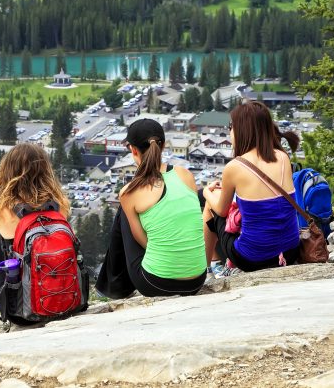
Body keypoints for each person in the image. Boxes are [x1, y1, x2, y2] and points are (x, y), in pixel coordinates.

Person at [0, 143, 71, 338]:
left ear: (7, 172)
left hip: (21, 312)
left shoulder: (1, 209)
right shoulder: (60, 205)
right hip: (64, 303)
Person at [97, 118, 207, 299]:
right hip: (197, 280)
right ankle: (112, 286)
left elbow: (142, 241)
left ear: (133, 150)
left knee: (124, 213)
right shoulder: (185, 175)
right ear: (163, 146)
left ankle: (115, 289)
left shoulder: (130, 192)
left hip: (155, 284)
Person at [202, 101, 300, 275]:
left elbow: (221, 211)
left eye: (231, 126)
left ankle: (207, 269)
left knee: (210, 205)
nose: (230, 131)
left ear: (242, 129)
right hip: (290, 251)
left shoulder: (235, 166)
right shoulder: (283, 157)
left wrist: (206, 192)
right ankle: (214, 265)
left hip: (252, 258)